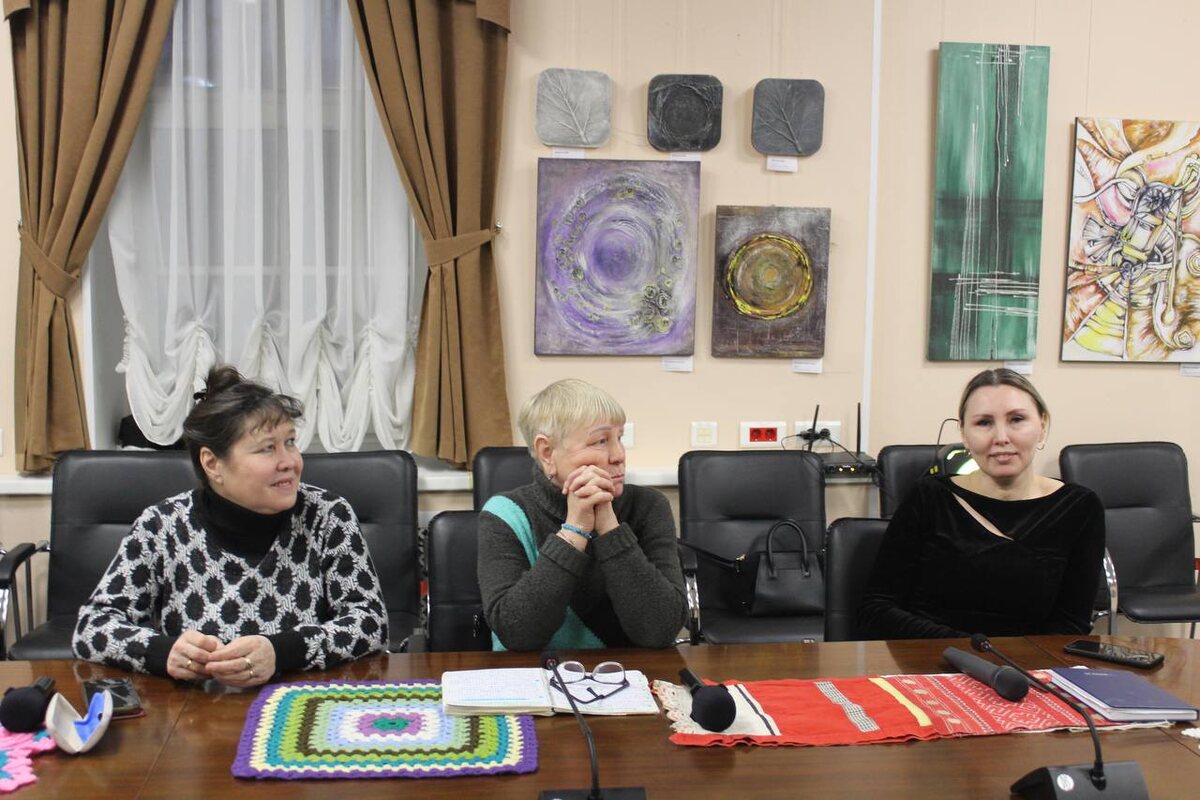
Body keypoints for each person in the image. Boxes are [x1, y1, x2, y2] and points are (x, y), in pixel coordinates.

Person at [72, 366, 389, 685]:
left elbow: (370, 623)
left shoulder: (327, 515)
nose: (290, 462)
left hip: (302, 701)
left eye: (290, 442)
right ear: (212, 464)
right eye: (268, 448)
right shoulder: (162, 526)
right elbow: (92, 627)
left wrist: (281, 652)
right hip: (195, 706)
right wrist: (163, 653)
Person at [858, 368, 1105, 640]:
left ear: (1042, 426)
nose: (1001, 437)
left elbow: (1071, 624)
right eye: (984, 423)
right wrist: (968, 651)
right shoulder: (929, 497)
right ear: (964, 434)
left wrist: (1010, 661)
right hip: (934, 658)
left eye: (1017, 419)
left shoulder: (1079, 507)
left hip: (1028, 663)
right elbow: (877, 609)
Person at [477, 378, 688, 651]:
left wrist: (610, 528)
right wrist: (574, 531)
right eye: (601, 441)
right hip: (536, 671)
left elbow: (660, 632)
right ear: (547, 452)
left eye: (619, 438)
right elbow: (518, 635)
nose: (619, 455)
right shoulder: (506, 514)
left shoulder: (648, 506)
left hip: (625, 671)